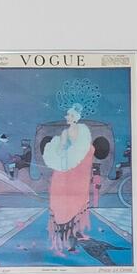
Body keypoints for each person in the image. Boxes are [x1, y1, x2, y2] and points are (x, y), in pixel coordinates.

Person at [42, 104, 95, 255]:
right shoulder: (66, 133)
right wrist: (58, 148)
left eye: (70, 115)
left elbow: (87, 152)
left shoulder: (84, 133)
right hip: (65, 172)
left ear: (75, 118)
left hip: (78, 175)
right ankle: (67, 237)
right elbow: (61, 150)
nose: (67, 117)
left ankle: (73, 236)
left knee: (76, 204)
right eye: (67, 115)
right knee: (63, 205)